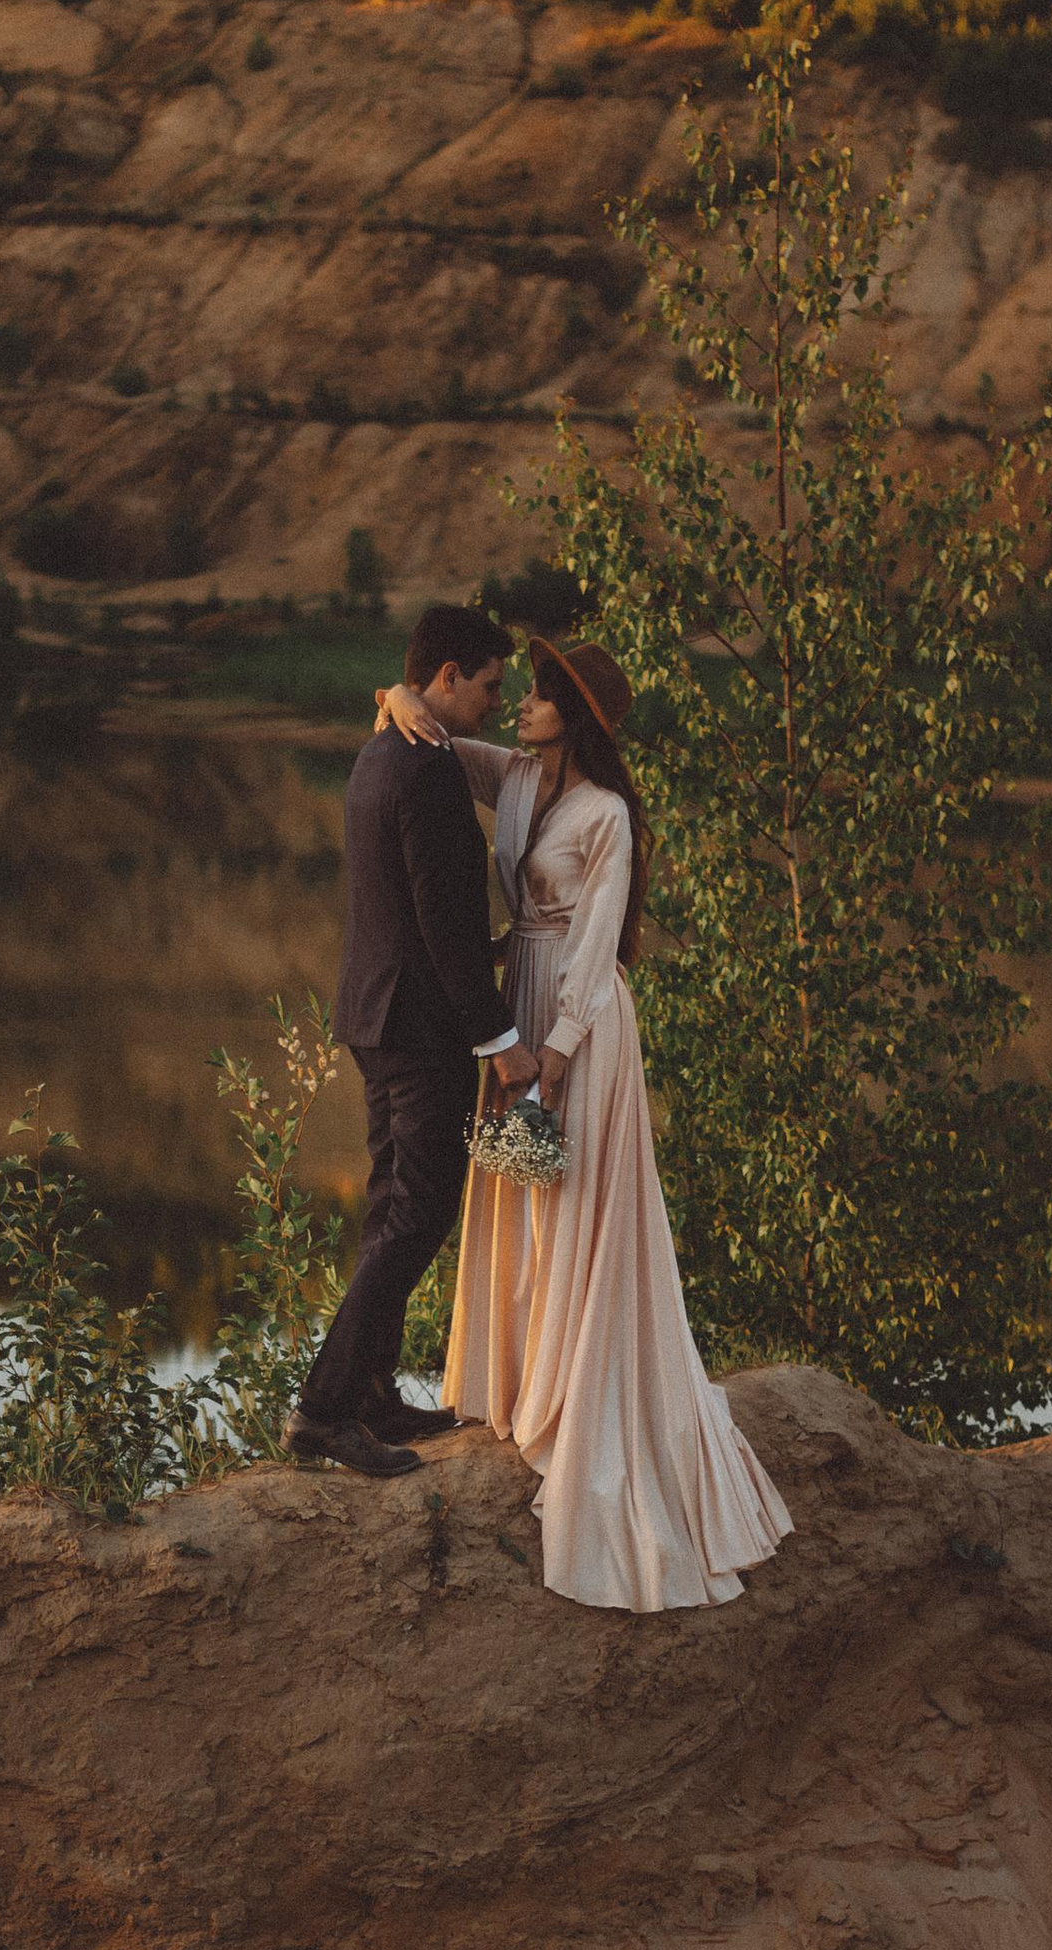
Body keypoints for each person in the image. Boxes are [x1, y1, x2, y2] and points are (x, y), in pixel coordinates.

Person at [379, 629, 792, 1612]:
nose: (518, 703)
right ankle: (518, 1381)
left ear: (577, 715)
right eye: (515, 691)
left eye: (536, 695)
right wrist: (395, 695)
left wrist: (553, 1058)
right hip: (515, 1001)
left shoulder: (606, 813)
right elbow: (424, 727)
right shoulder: (517, 780)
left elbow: (600, 942)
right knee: (517, 1195)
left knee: (575, 1195)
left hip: (579, 1021)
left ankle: (582, 1397)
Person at [287, 603, 540, 1480]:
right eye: (489, 687)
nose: (496, 705)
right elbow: (439, 922)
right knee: (419, 1213)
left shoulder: (381, 749)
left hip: (375, 1016)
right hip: (418, 1026)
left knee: (392, 1204)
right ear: (446, 677)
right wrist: (499, 1037)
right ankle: (323, 1410)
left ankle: (367, 1393)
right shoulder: (428, 769)